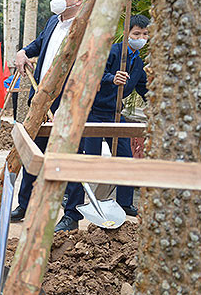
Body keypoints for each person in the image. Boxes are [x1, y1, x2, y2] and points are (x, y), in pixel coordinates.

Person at [54, 15, 150, 231]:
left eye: (145, 35)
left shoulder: (138, 61)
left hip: (116, 114)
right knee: (88, 161)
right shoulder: (113, 52)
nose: (141, 38)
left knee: (125, 158)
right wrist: (111, 78)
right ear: (127, 34)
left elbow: (143, 87)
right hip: (93, 112)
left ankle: (125, 203)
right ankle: (72, 213)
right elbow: (93, 73)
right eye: (136, 34)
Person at [11, 0, 90, 229]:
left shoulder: (84, 30)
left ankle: (72, 215)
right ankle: (25, 204)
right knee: (32, 152)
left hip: (67, 102)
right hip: (41, 99)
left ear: (78, 0)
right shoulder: (52, 22)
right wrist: (24, 52)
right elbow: (38, 44)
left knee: (70, 157)